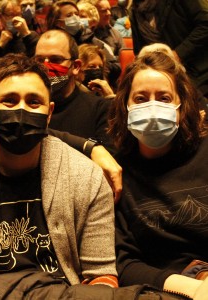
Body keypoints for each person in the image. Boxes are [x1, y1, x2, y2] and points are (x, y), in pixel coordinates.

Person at [0, 53, 118, 297]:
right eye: (9, 101)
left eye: (33, 102)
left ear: (49, 113)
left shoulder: (87, 177)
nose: (21, 110)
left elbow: (101, 274)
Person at [108, 50, 208, 298]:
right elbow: (124, 262)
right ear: (125, 105)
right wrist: (193, 287)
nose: (153, 106)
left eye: (164, 98)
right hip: (162, 290)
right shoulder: (117, 172)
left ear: (181, 105)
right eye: (141, 99)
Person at [35, 29, 116, 153]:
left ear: (76, 66)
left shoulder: (100, 108)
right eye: (39, 60)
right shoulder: (26, 105)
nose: (46, 67)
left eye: (56, 60)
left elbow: (108, 161)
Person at [129, 0, 208, 98]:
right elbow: (139, 51)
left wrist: (178, 54)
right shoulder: (134, 11)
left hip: (197, 71)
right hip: (163, 72)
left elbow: (205, 25)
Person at [46, 0, 121, 88]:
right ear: (58, 22)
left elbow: (116, 68)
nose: (75, 18)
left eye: (77, 14)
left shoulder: (92, 40)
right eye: (69, 15)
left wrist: (95, 68)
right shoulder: (49, 44)